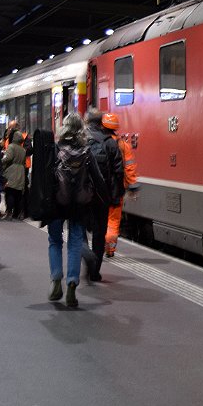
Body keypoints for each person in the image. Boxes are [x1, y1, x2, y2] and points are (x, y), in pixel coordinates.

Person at [43, 112, 106, 307]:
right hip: (79, 205)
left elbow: (44, 179)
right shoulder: (86, 151)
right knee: (75, 243)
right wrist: (106, 201)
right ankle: (72, 282)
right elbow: (98, 179)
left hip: (57, 203)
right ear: (81, 129)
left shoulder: (55, 148)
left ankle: (55, 279)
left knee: (54, 241)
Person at [82, 109, 122, 280]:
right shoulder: (110, 143)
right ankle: (95, 271)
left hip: (81, 196)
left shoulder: (80, 141)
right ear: (101, 123)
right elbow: (118, 172)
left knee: (79, 229)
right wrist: (115, 196)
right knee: (99, 233)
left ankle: (86, 254)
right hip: (102, 196)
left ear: (86, 122)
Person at [101, 113, 139, 258]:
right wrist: (132, 186)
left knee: (101, 218)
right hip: (117, 188)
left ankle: (99, 245)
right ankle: (110, 249)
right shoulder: (123, 145)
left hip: (101, 188)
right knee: (113, 220)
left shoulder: (99, 143)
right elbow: (129, 168)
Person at [2, 131, 27, 220]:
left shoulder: (11, 147)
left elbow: (8, 158)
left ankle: (9, 212)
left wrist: (1, 160)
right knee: (19, 194)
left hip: (11, 171)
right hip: (21, 171)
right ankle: (20, 213)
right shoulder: (23, 149)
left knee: (10, 192)